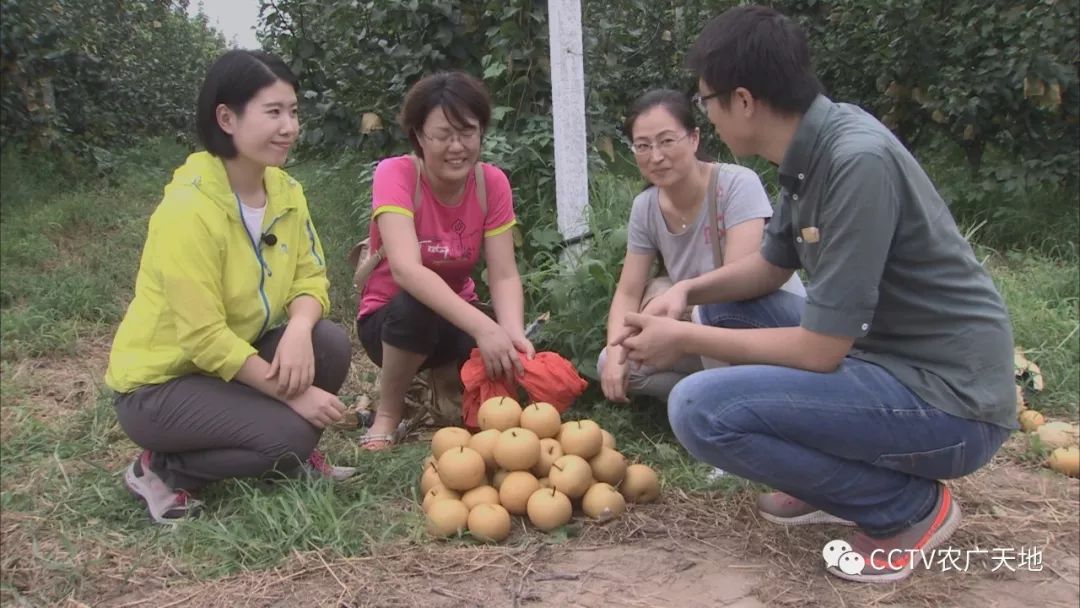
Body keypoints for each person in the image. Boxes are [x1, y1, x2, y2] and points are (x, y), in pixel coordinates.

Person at [613, 6, 1015, 583]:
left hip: (951, 403)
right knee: (724, 304)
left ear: (744, 100)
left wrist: (682, 336)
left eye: (706, 102)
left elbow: (821, 350)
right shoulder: (808, 150)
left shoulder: (855, 162)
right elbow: (770, 268)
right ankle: (825, 477)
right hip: (887, 361)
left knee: (699, 409)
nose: (708, 117)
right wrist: (688, 293)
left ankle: (905, 509)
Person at [105, 50, 353, 525]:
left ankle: (275, 455)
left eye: (294, 111)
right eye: (273, 112)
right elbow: (202, 337)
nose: (289, 127)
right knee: (290, 436)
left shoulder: (285, 192)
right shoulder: (188, 210)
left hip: (226, 362)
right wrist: (290, 395)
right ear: (227, 117)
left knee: (328, 344)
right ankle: (161, 467)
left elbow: (310, 276)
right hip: (161, 386)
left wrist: (300, 327)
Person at [357, 72, 533, 450]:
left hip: (455, 317)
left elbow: (503, 275)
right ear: (420, 136)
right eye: (443, 135)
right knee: (415, 307)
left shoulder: (492, 183)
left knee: (519, 351)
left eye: (468, 133)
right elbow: (406, 269)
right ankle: (388, 413)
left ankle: (447, 386)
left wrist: (511, 331)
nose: (457, 146)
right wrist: (485, 329)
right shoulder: (396, 174)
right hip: (390, 322)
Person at [598, 89, 805, 403]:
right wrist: (616, 352)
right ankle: (720, 394)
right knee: (611, 360)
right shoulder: (646, 207)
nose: (655, 156)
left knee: (710, 313)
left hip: (756, 322)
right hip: (695, 325)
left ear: (693, 139)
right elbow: (628, 291)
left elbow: (738, 289)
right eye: (643, 146)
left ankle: (724, 395)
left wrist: (673, 306)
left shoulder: (736, 184)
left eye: (667, 141)